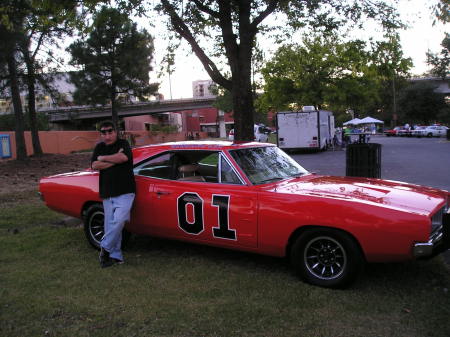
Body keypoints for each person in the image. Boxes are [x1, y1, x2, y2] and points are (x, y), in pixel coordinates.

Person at [91, 121, 136, 268]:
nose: (107, 135)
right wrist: (114, 159)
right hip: (107, 192)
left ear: (116, 132)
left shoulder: (124, 143)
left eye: (110, 132)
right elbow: (94, 165)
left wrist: (103, 158)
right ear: (101, 134)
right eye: (104, 132)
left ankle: (105, 247)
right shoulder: (99, 147)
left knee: (119, 221)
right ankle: (115, 256)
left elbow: (123, 158)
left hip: (125, 190)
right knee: (110, 225)